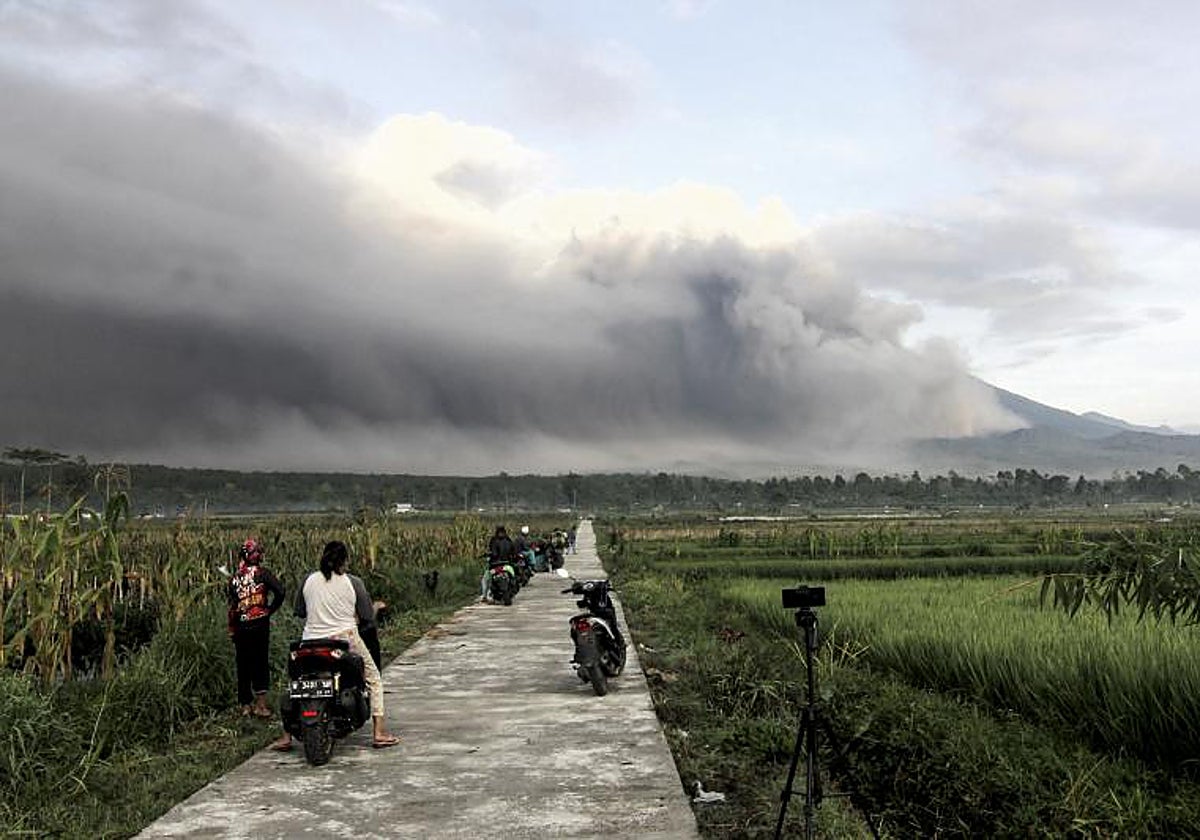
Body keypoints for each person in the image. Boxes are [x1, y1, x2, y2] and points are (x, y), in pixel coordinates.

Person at [272, 541, 399, 750]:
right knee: (374, 679)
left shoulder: (308, 580)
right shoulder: (354, 582)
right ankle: (379, 733)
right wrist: (373, 609)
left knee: (295, 682)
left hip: (310, 641)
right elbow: (367, 616)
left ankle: (286, 737)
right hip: (344, 639)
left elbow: (300, 611)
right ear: (344, 561)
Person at [226, 538, 286, 719]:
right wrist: (269, 610)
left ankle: (246, 706)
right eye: (256, 552)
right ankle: (261, 706)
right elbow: (281, 591)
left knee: (243, 665)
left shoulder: (234, 578)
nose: (258, 555)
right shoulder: (263, 573)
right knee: (260, 663)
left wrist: (232, 629)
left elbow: (232, 607)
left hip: (241, 627)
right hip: (259, 625)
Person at [480, 525, 515, 602]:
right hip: (507, 564)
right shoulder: (508, 540)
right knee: (513, 576)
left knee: (485, 579)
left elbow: (494, 553)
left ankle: (484, 596)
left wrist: (488, 555)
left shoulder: (494, 540)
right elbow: (513, 552)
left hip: (495, 564)